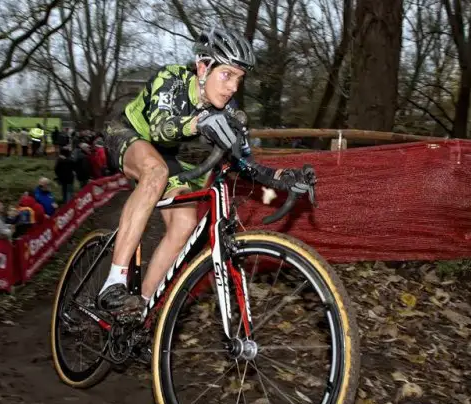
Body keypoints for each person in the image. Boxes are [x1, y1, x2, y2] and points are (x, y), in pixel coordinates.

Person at [98, 26, 312, 320]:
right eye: (227, 75)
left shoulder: (228, 110)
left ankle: (141, 311)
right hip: (129, 133)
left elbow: (244, 161)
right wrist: (198, 124)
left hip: (167, 156)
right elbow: (161, 129)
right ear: (203, 67)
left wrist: (281, 178)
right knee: (155, 170)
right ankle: (113, 282)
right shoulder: (171, 79)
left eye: (239, 78)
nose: (233, 87)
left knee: (185, 222)